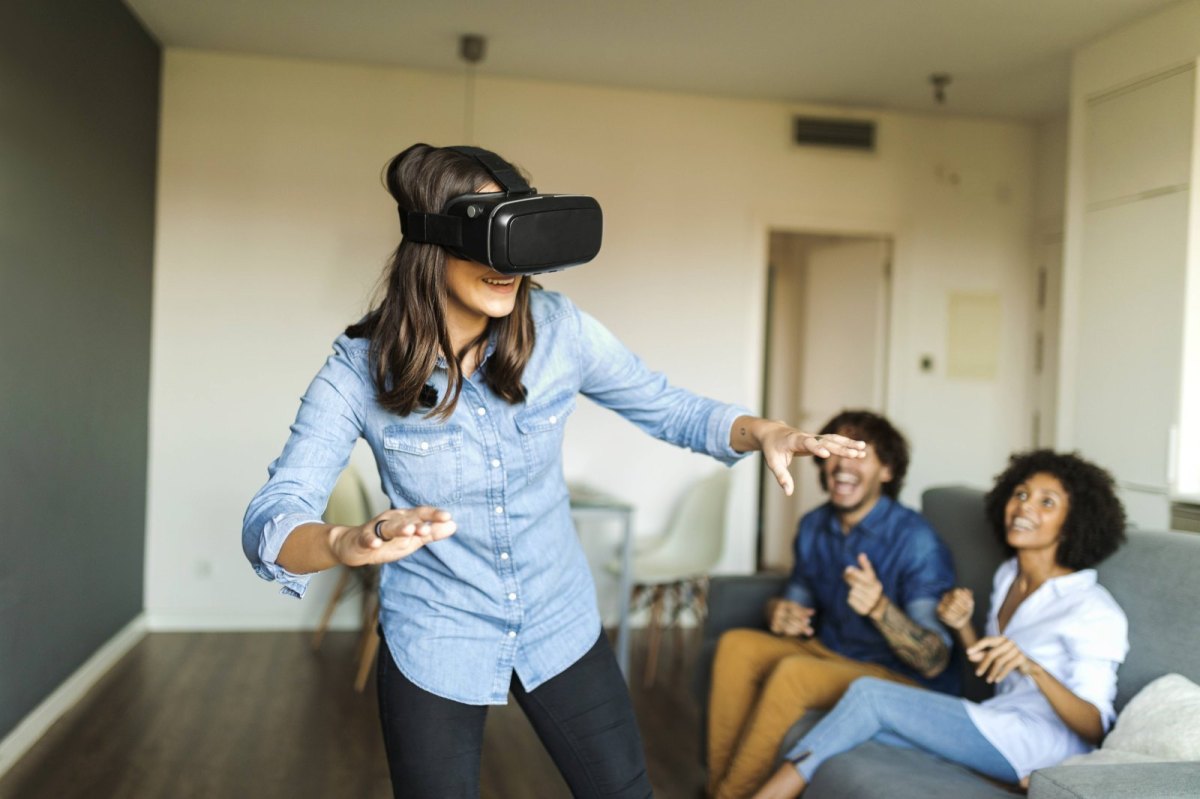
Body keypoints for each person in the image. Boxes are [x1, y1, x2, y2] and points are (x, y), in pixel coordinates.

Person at [240, 143, 867, 799]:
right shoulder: (355, 370)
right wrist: (346, 541)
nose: (509, 264)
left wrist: (762, 430)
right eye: (491, 232)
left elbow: (669, 407)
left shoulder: (560, 330)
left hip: (558, 619)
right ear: (434, 240)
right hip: (436, 632)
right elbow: (272, 518)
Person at [750, 450, 1129, 798]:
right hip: (997, 723)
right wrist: (963, 626)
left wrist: (1033, 668)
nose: (1024, 507)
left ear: (1073, 522)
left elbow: (1094, 726)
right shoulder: (1009, 576)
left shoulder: (1092, 609)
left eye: (1047, 502)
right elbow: (991, 671)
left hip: (1040, 742)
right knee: (862, 728)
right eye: (1021, 494)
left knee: (868, 695)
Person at [707, 410, 958, 799]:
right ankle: (718, 789)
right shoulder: (813, 525)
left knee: (794, 673)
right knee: (736, 646)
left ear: (887, 471)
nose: (841, 464)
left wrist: (879, 608)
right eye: (832, 451)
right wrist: (780, 612)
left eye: (858, 453)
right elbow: (797, 602)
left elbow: (934, 660)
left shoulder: (916, 540)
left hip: (893, 675)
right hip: (832, 650)